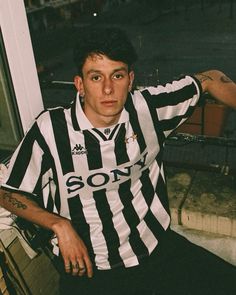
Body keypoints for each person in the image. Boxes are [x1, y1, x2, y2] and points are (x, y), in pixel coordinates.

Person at [0, 27, 236, 295]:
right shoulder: (51, 130)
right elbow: (6, 191)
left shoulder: (148, 109)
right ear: (80, 84)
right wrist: (59, 225)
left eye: (118, 75)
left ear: (130, 79)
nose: (108, 88)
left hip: (157, 250)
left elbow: (211, 79)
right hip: (90, 269)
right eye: (96, 77)